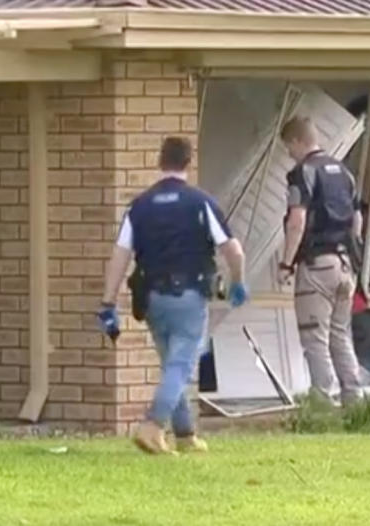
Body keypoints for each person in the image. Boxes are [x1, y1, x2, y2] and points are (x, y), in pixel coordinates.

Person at [98, 136, 248, 455]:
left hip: (152, 298)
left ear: (159, 162)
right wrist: (238, 282)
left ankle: (185, 435)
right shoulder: (200, 202)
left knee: (171, 364)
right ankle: (152, 425)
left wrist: (108, 303)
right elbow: (233, 250)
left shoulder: (139, 206)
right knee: (181, 364)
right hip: (189, 295)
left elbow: (120, 256)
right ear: (188, 162)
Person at [277, 116, 364, 407]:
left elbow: (296, 221)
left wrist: (286, 263)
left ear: (298, 141)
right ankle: (355, 402)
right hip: (345, 265)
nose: (289, 153)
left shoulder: (303, 173)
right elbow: (357, 221)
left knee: (315, 338)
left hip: (317, 266)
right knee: (340, 335)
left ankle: (322, 407)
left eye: (289, 147)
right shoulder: (344, 173)